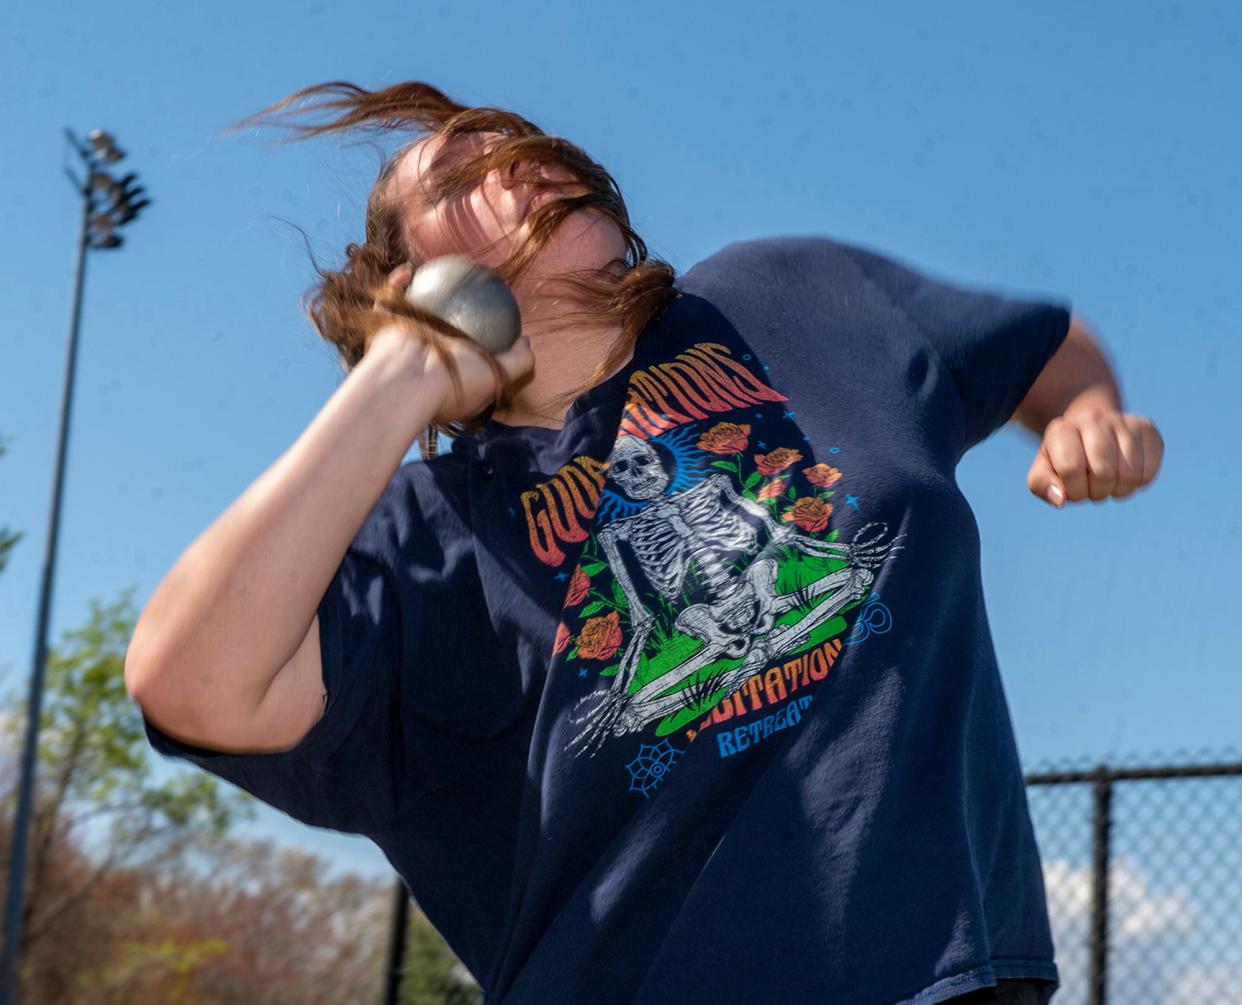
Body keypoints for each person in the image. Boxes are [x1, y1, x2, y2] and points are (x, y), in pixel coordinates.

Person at [124, 81, 1164, 1005]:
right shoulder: (428, 537)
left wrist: (1084, 409)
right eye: (460, 173)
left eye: (523, 143)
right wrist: (402, 375)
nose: (515, 159)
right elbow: (190, 681)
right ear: (411, 278)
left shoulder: (781, 295)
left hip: (958, 975)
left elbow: (1037, 343)